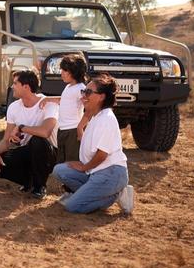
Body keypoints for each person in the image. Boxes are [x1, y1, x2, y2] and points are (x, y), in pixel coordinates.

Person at [52, 73, 135, 214]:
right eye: (84, 91)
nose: (84, 95)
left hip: (111, 173)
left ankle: (117, 194)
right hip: (95, 171)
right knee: (60, 170)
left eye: (88, 92)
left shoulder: (106, 119)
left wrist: (84, 167)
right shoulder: (96, 116)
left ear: (101, 97)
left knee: (72, 206)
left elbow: (102, 155)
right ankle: (95, 192)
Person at [0, 69, 58, 199]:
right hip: (27, 152)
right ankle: (28, 181)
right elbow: (6, 140)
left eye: (15, 83)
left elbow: (45, 132)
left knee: (38, 140)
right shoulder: (14, 107)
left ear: (26, 86)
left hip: (48, 154)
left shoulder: (48, 104)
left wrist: (21, 128)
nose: (12, 87)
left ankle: (40, 187)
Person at [39, 54, 88, 165]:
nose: (61, 73)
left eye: (64, 70)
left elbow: (89, 110)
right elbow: (65, 100)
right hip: (62, 130)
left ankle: (72, 182)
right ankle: (65, 181)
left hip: (73, 131)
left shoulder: (81, 89)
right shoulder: (68, 87)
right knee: (62, 160)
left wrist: (80, 127)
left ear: (73, 72)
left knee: (72, 161)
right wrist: (48, 99)